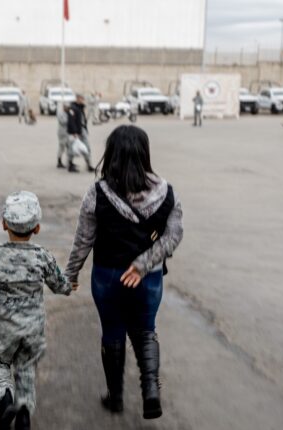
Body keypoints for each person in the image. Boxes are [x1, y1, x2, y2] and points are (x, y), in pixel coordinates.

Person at [64, 125, 184, 420]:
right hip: (149, 279)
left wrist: (71, 274)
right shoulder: (167, 192)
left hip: (107, 276)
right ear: (145, 153)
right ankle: (150, 391)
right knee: (145, 331)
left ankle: (115, 396)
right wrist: (143, 265)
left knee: (113, 333)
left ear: (111, 154)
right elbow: (173, 236)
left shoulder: (97, 192)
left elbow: (84, 240)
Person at [0, 191, 74, 430]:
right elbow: (61, 285)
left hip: (3, 327)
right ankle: (23, 414)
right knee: (26, 368)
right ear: (37, 228)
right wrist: (70, 284)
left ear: (3, 224)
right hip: (33, 328)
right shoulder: (42, 257)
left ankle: (4, 400)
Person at [67, 94, 95, 173]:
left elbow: (83, 120)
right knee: (72, 148)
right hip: (76, 132)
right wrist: (74, 132)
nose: (83, 100)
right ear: (77, 99)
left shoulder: (81, 107)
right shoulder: (72, 108)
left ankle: (89, 164)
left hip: (82, 130)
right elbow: (71, 121)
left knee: (87, 148)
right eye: (81, 99)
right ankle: (70, 164)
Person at [56, 103, 70, 169]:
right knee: (61, 148)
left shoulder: (68, 113)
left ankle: (69, 162)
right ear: (64, 107)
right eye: (67, 107)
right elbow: (63, 122)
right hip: (62, 133)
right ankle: (59, 162)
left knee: (69, 148)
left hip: (67, 133)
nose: (68, 109)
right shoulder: (60, 114)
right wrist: (70, 117)